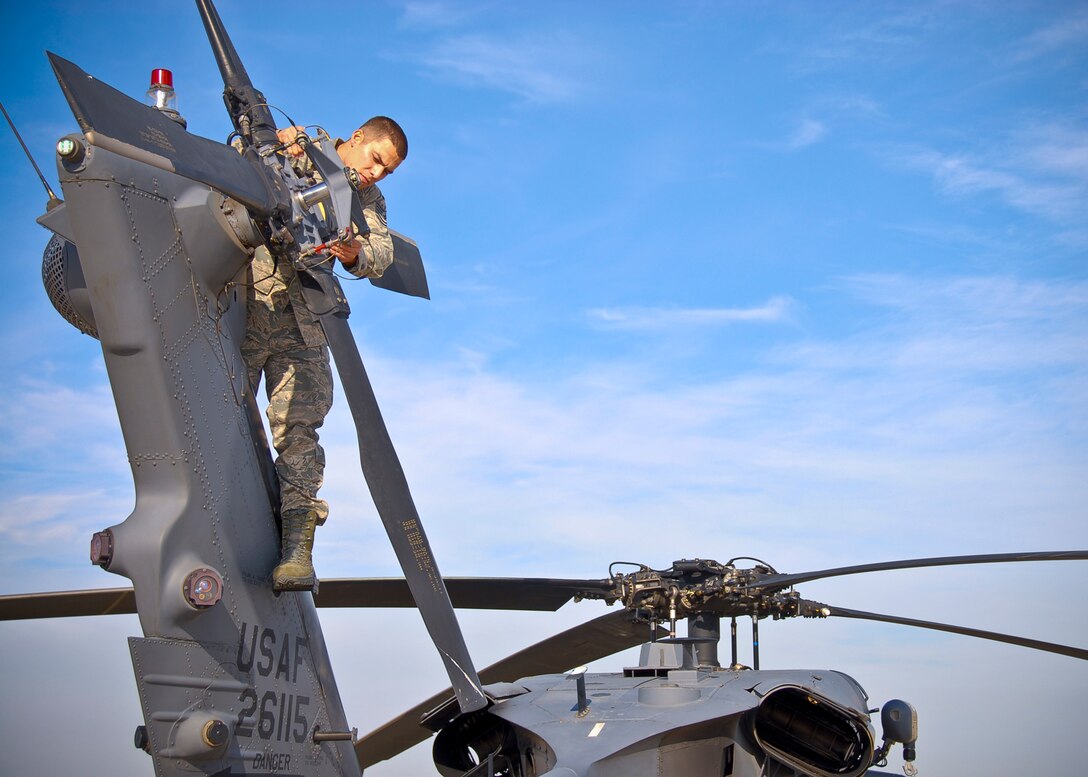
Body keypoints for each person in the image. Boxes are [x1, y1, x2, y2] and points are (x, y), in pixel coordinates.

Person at [241, 116, 408, 591]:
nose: (377, 174)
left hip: (305, 321)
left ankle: (296, 551)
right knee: (219, 412)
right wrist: (264, 149)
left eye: (388, 171)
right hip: (246, 302)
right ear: (356, 138)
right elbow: (229, 175)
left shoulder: (367, 200)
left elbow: (380, 253)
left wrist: (352, 250)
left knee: (300, 432)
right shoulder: (295, 149)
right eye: (376, 160)